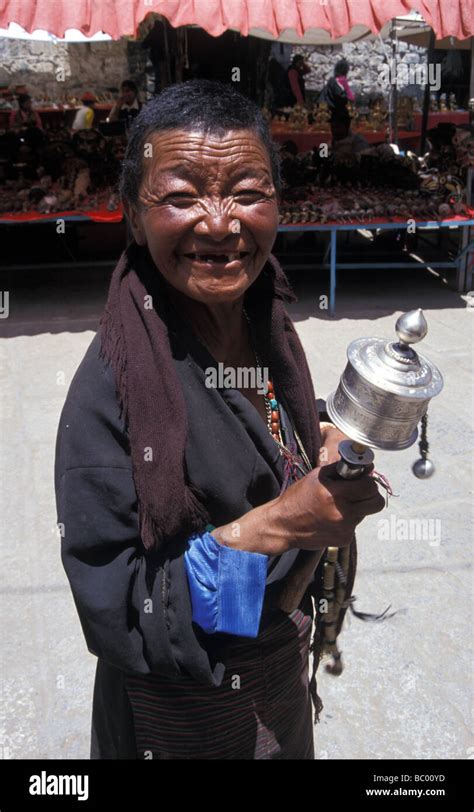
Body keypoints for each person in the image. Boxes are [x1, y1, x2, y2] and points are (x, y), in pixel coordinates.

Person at [54, 79, 385, 760]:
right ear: (134, 216)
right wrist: (276, 526)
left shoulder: (264, 322)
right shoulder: (112, 390)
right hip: (182, 720)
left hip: (278, 688)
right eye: (181, 196)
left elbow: (258, 434)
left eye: (247, 191)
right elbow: (120, 611)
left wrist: (311, 445)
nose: (218, 222)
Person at [320, 58, 355, 143]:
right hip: (340, 114)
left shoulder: (331, 81)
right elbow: (351, 98)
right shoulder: (341, 81)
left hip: (332, 113)